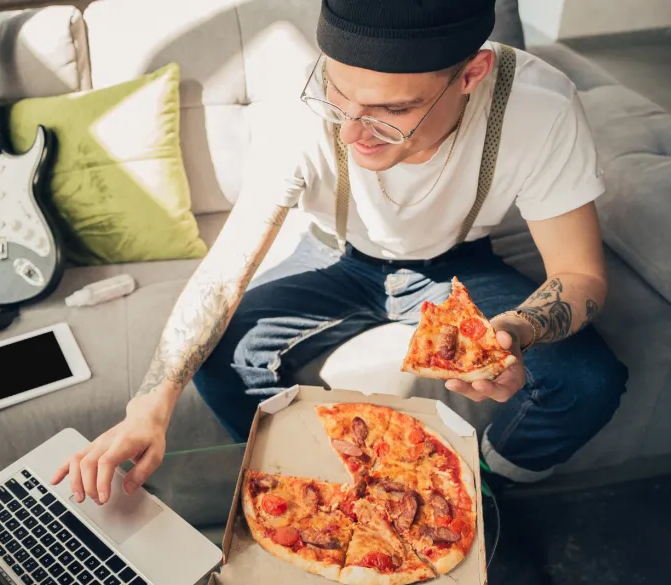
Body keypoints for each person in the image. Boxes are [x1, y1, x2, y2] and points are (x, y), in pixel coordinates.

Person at [52, 0, 627, 504]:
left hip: (460, 262)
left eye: (392, 111)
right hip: (337, 256)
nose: (353, 134)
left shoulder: (540, 107)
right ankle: (324, 481)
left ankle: (478, 491)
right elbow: (222, 274)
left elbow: (578, 274)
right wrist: (150, 404)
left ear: (472, 73)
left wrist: (515, 331)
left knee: (590, 381)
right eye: (339, 96)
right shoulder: (301, 110)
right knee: (221, 356)